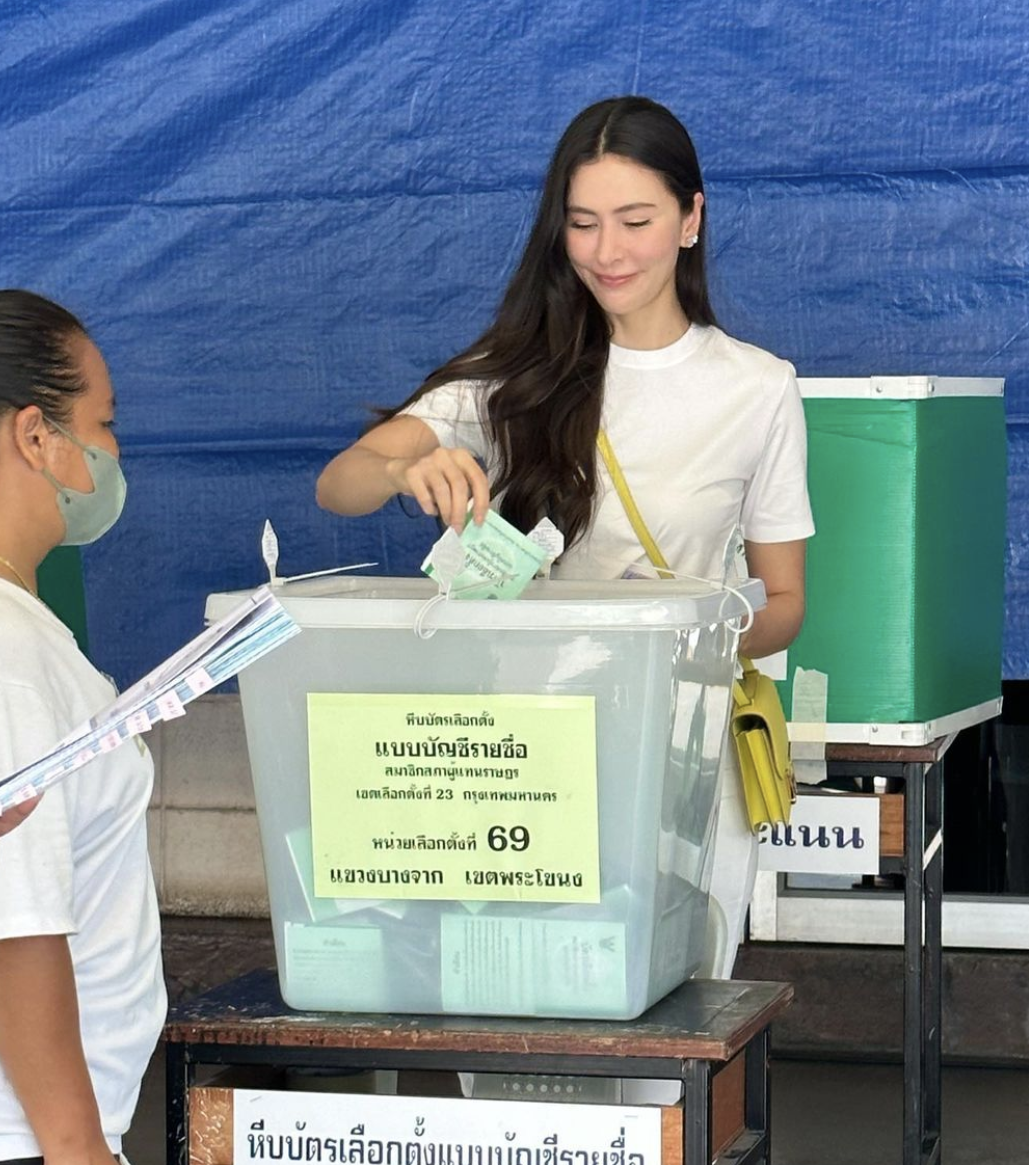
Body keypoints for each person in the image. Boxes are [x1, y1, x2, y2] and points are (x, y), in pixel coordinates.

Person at [316, 95, 814, 976]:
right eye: (582, 223)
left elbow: (781, 603)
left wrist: (671, 632)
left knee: (671, 994)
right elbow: (339, 483)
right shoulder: (512, 376)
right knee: (524, 984)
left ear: (690, 219)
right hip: (526, 753)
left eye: (635, 221)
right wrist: (401, 469)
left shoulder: (757, 387)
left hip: (681, 752)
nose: (606, 251)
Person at [0, 290, 165, 1164]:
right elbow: (15, 916)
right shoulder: (9, 649)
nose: (113, 451)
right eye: (104, 423)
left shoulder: (26, 627)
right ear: (36, 434)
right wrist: (76, 1146)